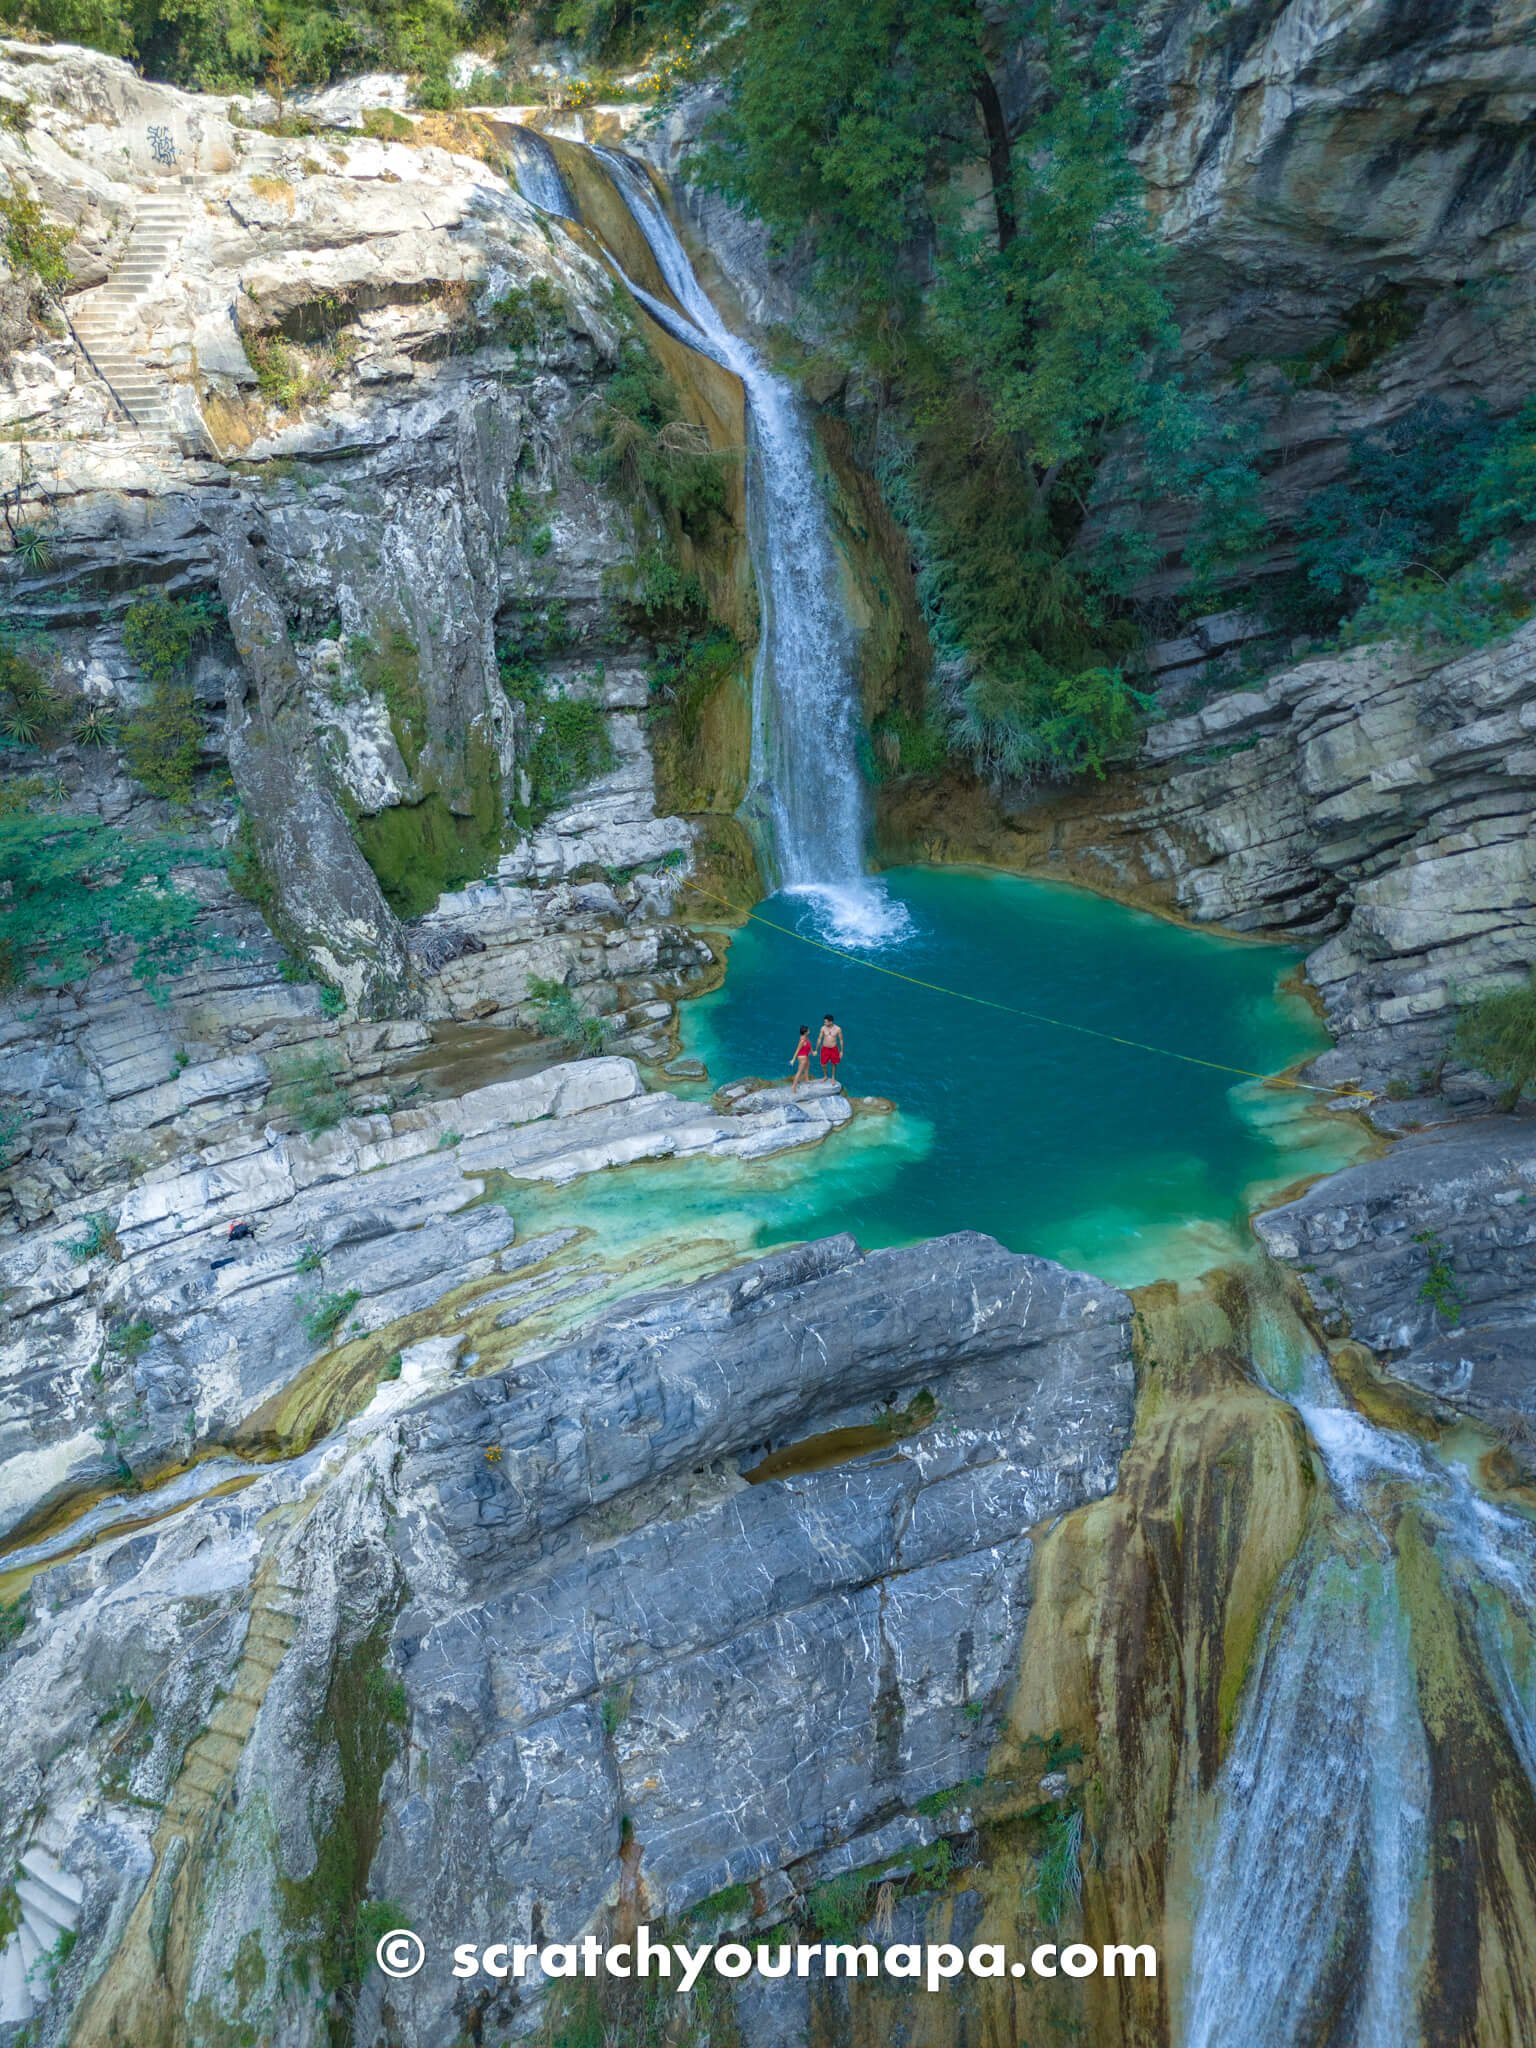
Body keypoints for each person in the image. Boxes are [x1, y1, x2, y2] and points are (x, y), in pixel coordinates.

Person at [816, 1013, 844, 1082]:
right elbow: (819, 1038)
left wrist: (841, 1051)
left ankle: (833, 1077)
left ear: (830, 1022)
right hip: (825, 1048)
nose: (824, 1023)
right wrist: (816, 1049)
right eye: (824, 1021)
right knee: (823, 1064)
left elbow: (841, 1040)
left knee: (833, 1063)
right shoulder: (823, 1028)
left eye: (825, 1022)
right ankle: (825, 1076)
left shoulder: (838, 1029)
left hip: (833, 1049)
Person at [789, 1023, 812, 1093]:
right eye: (808, 1030)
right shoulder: (802, 1040)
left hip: (806, 1055)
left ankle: (807, 1080)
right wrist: (793, 1059)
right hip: (802, 1057)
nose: (809, 1030)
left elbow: (808, 1046)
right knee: (799, 1071)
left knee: (807, 1067)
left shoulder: (806, 1037)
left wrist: (812, 1052)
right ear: (805, 1032)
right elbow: (797, 1050)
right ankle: (793, 1087)